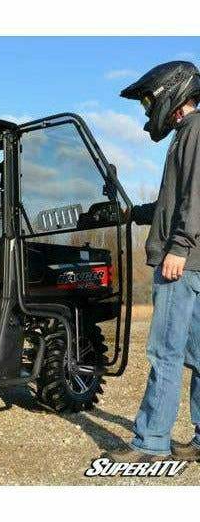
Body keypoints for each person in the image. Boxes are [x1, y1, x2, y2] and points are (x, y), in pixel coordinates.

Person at [109, 61, 200, 463]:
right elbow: (174, 203)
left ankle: (151, 443)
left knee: (165, 351)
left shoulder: (195, 132)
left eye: (149, 100)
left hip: (183, 261)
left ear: (173, 92)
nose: (148, 109)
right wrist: (133, 213)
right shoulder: (189, 133)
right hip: (195, 261)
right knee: (198, 355)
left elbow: (196, 198)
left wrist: (178, 246)